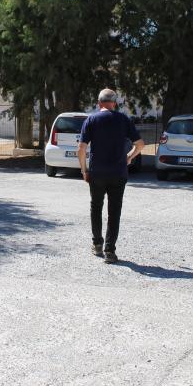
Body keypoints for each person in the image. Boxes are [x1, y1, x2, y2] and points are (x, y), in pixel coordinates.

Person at [77, 88, 144, 264]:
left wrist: (84, 170)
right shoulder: (123, 119)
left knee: (96, 207)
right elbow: (140, 144)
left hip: (97, 173)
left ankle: (97, 244)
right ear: (114, 103)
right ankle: (110, 251)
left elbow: (81, 149)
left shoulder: (91, 120)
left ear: (99, 103)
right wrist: (129, 157)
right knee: (114, 212)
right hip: (118, 173)